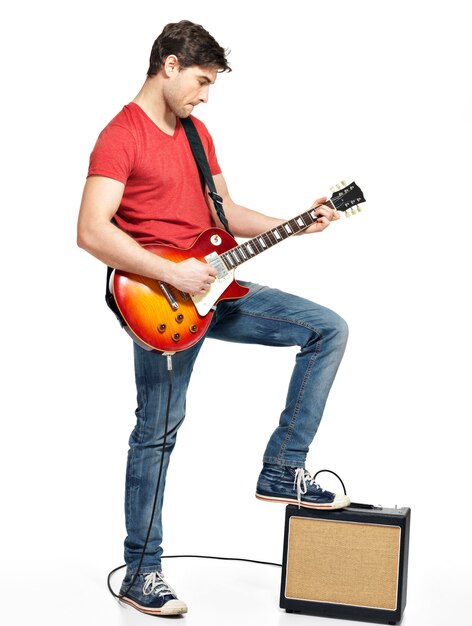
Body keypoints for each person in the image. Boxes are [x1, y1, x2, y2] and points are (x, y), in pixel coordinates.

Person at [77, 20, 350, 618]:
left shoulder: (198, 134)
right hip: (161, 304)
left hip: (218, 290)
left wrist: (297, 219)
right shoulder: (120, 136)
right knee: (158, 431)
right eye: (201, 81)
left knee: (327, 328)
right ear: (169, 65)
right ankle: (141, 572)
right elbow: (91, 230)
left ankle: (282, 469)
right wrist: (173, 273)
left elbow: (223, 214)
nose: (205, 95)